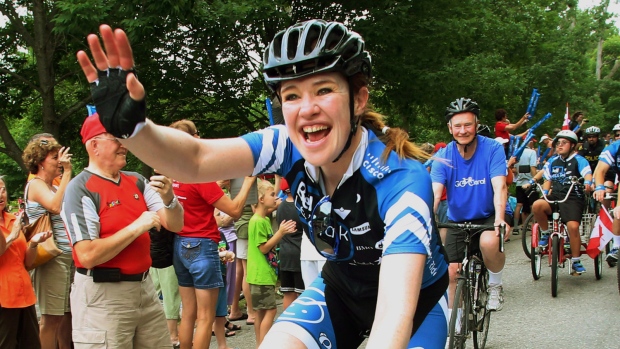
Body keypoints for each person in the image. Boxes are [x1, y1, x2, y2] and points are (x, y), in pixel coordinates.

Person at [77, 20, 450, 349]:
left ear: (358, 100)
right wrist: (134, 131)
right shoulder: (286, 143)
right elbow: (194, 159)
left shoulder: (401, 180)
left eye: (323, 90)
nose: (307, 109)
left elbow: (392, 317)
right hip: (341, 290)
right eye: (291, 96)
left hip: (414, 304)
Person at [61, 113, 185, 348]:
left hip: (145, 290)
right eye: (116, 138)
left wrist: (169, 198)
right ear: (94, 145)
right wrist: (138, 226)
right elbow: (87, 255)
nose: (124, 145)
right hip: (103, 297)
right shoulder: (79, 189)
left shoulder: (137, 180)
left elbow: (175, 224)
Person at [168, 119, 256, 349]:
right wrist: (247, 183)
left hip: (180, 244)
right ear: (194, 139)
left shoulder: (172, 174)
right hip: (202, 246)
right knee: (205, 317)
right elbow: (235, 211)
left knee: (188, 313)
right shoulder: (198, 175)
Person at [431, 98, 508, 313]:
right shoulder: (443, 156)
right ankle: (456, 321)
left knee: (489, 241)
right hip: (457, 219)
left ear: (476, 124)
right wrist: (427, 219)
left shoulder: (492, 148)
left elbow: (500, 186)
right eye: (457, 126)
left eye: (468, 125)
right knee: (452, 272)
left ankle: (495, 284)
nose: (463, 130)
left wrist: (500, 218)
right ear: (450, 128)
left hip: (487, 215)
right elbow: (435, 194)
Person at [22, 137, 74, 349]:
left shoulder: (52, 186)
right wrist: (68, 173)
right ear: (41, 162)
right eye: (55, 158)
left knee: (64, 316)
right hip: (52, 258)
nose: (60, 162)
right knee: (51, 319)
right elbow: (54, 207)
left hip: (67, 256)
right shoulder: (35, 185)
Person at [530, 130, 592, 274]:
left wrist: (588, 182)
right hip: (555, 196)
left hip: (572, 198)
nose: (560, 145)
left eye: (564, 143)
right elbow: (547, 179)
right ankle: (545, 233)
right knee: (537, 205)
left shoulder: (579, 160)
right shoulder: (553, 161)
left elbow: (587, 174)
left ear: (572, 146)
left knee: (573, 227)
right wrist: (544, 193)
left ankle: (576, 260)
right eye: (558, 143)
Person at [0, 178, 52, 349]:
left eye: (3, 190)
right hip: (3, 297)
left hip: (24, 294)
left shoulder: (13, 219)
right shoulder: (14, 228)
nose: (1, 194)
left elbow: (27, 262)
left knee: (31, 344)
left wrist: (34, 243)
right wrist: (11, 237)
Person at [247, 180, 296, 346]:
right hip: (260, 274)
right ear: (261, 199)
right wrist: (280, 233)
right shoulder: (258, 221)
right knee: (271, 310)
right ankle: (264, 344)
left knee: (260, 312)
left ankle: (259, 344)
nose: (275, 197)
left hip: (261, 274)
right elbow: (263, 248)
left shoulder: (263, 219)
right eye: (272, 194)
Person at [276, 178, 305, 311]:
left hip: (285, 254)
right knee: (302, 294)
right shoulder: (301, 207)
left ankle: (286, 321)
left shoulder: (280, 207)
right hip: (299, 253)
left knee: (288, 293)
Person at [512, 137, 539, 234]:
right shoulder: (532, 152)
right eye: (533, 142)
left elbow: (514, 169)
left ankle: (516, 227)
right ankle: (534, 226)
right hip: (529, 182)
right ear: (530, 142)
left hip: (519, 183)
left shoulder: (517, 152)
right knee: (533, 205)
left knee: (519, 204)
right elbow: (532, 167)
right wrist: (535, 178)